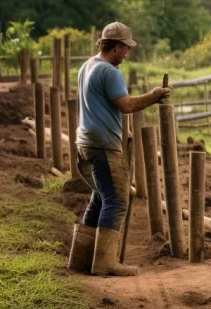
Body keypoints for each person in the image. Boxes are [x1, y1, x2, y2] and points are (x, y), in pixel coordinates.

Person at [67, 22, 172, 276]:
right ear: (115, 47)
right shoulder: (110, 72)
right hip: (103, 144)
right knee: (116, 200)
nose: (127, 53)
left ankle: (81, 258)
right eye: (125, 48)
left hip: (84, 143)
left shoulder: (87, 66)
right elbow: (126, 105)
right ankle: (106, 262)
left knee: (100, 198)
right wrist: (155, 95)